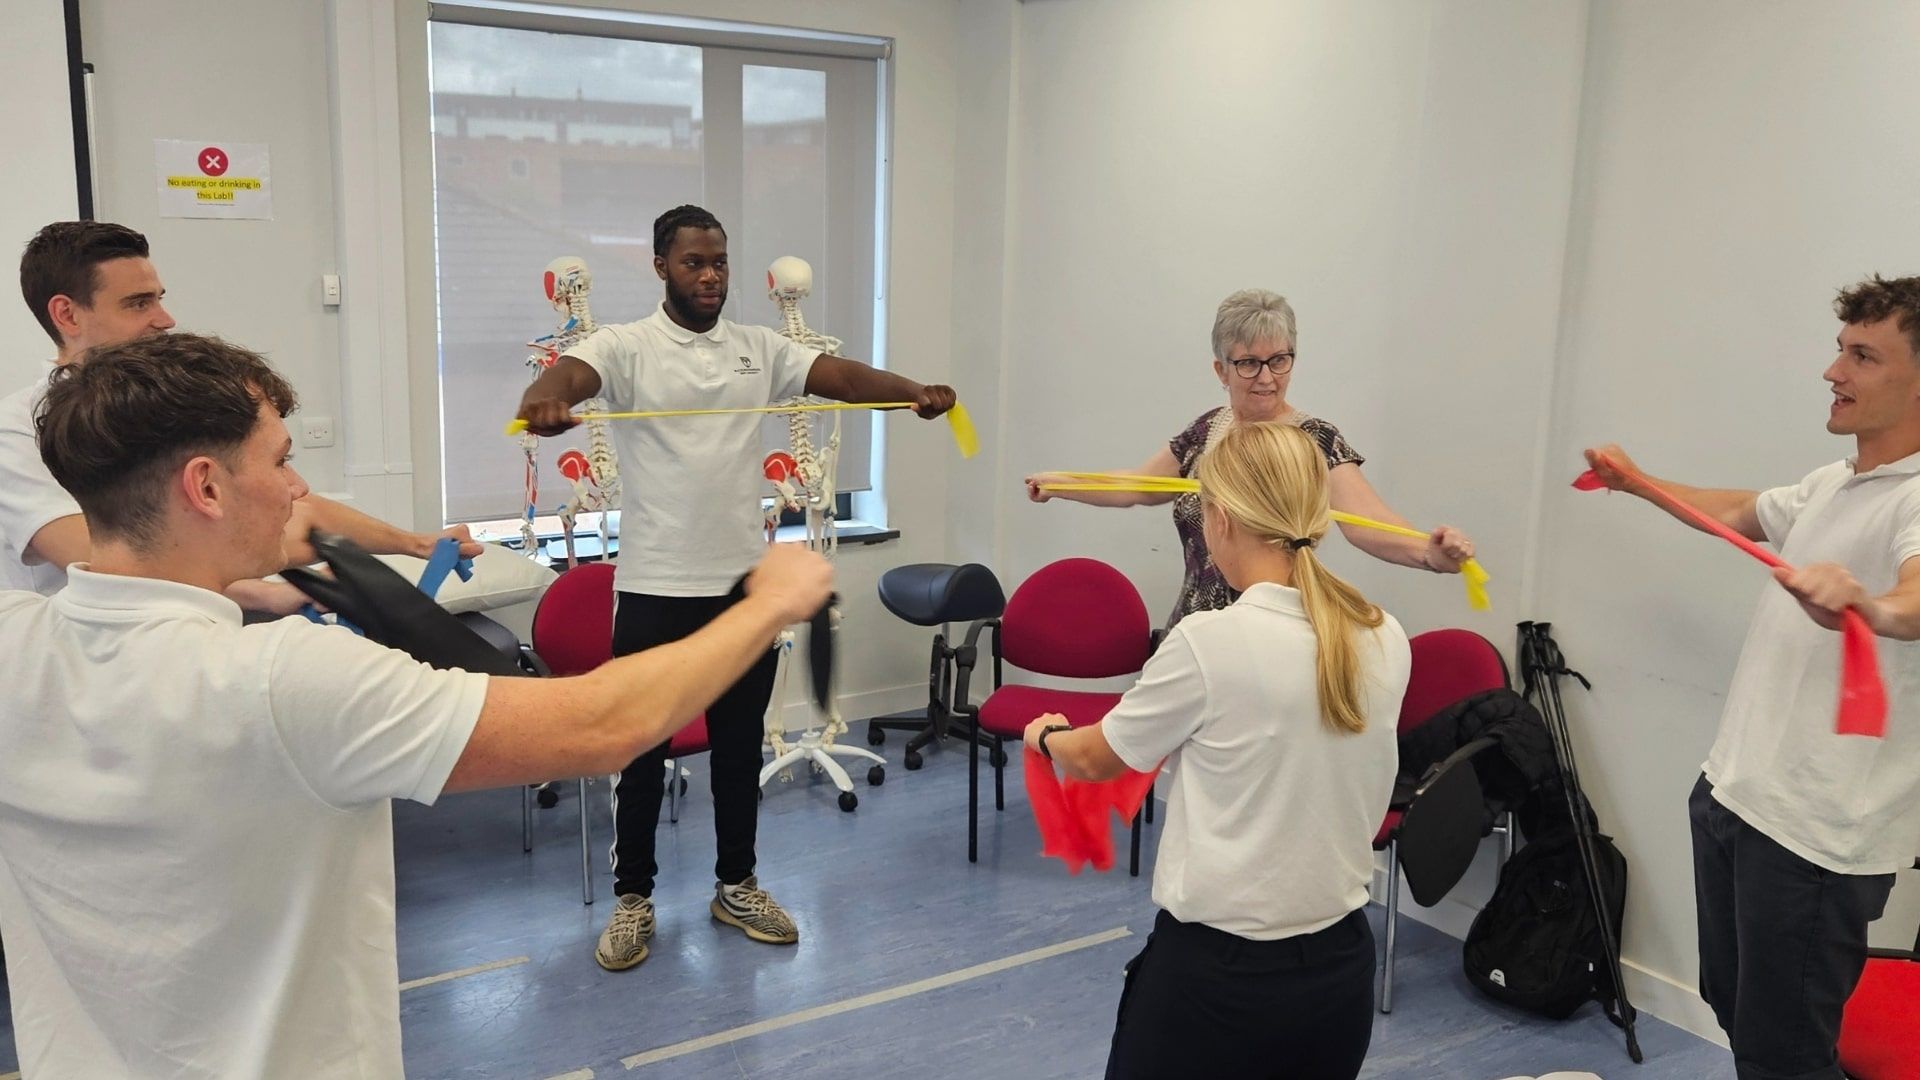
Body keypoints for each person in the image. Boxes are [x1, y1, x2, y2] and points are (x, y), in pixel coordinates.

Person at [0, 332, 833, 1078]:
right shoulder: (283, 682)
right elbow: (605, 725)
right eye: (282, 460)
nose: (298, 489)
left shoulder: (13, 646)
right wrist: (767, 600)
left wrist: (384, 550)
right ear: (207, 488)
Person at [516, 204, 957, 969]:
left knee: (735, 748)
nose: (711, 274)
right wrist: (542, 404)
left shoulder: (757, 348)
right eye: (694, 262)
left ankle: (736, 884)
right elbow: (569, 376)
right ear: (661, 266)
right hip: (655, 585)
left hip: (742, 591)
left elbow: (839, 377)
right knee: (641, 750)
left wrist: (911, 389)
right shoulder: (625, 346)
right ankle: (633, 900)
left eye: (718, 261)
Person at [1583, 274, 1920, 1079]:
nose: (1833, 372)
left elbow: (1915, 598)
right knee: (1736, 1007)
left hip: (1816, 836)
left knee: (1785, 1056)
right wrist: (1639, 482)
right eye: (1841, 350)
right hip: (1737, 795)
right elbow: (1738, 510)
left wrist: (1869, 605)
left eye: (1863, 356)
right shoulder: (1837, 483)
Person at [1025, 421, 1410, 1080]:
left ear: (1222, 518)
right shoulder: (1383, 634)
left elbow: (1097, 758)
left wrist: (1047, 734)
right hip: (1341, 966)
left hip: (1220, 979)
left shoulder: (1209, 642)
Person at [6, 220, 476, 609]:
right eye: (138, 303)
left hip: (192, 626)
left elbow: (279, 504)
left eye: (159, 297)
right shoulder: (17, 429)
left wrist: (417, 544)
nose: (165, 319)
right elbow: (115, 561)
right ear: (67, 315)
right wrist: (265, 594)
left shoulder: (164, 406)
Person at [1025, 288, 1474, 627]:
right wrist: (1063, 485)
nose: (1267, 378)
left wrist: (1431, 554)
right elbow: (1139, 486)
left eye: (1280, 360)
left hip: (1273, 639)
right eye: (1249, 363)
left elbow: (1368, 523)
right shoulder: (1208, 430)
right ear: (1221, 369)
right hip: (1196, 631)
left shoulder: (1315, 439)